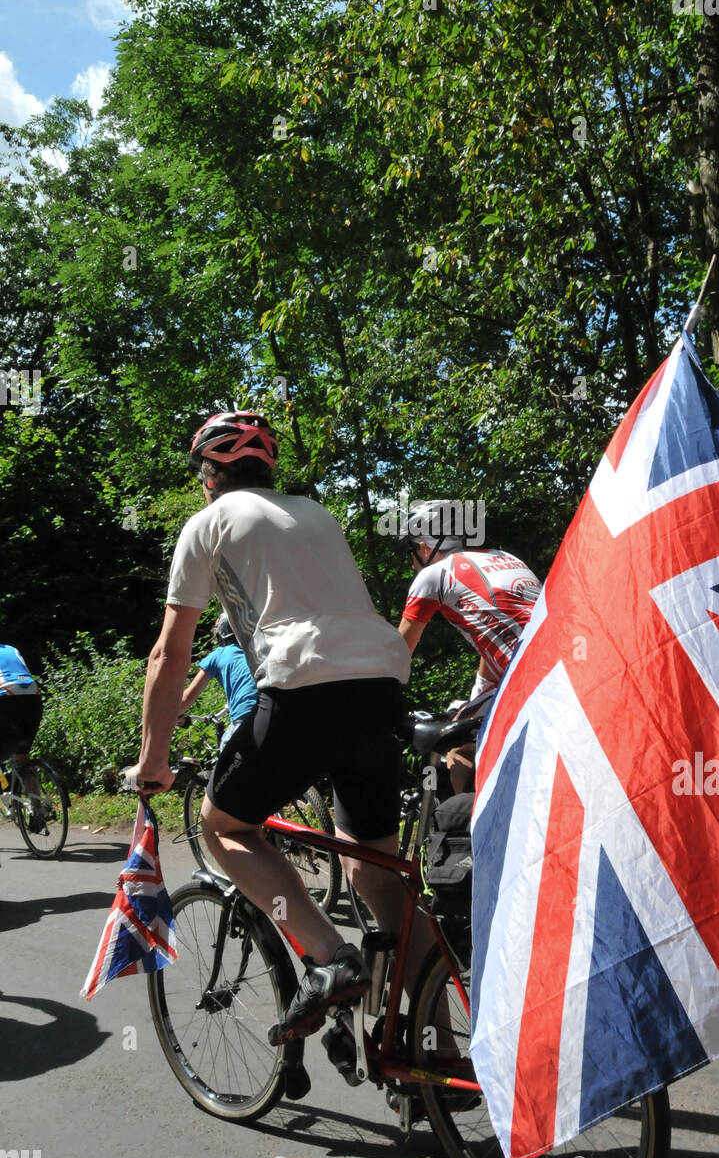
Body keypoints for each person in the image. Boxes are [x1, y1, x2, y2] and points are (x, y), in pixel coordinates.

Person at [131, 410, 412, 1044]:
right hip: (379, 689)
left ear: (210, 474)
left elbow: (170, 653)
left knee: (224, 825)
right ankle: (433, 1047)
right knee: (375, 867)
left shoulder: (208, 524)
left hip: (302, 689)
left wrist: (153, 759)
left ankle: (330, 957)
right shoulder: (316, 514)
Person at [397, 500, 542, 790]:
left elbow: (395, 656)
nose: (412, 563)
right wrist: (479, 692)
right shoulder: (506, 557)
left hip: (529, 680)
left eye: (411, 552)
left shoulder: (434, 575)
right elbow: (500, 630)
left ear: (425, 547)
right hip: (559, 664)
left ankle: (468, 824)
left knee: (458, 750)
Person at [177, 613, 258, 748]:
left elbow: (185, 700)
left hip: (245, 718)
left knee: (225, 760)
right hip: (274, 712)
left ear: (221, 633)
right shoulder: (257, 649)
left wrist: (173, 716)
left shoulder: (219, 654)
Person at [0, 645, 43, 793]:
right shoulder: (12, 649)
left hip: (5, 699)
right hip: (33, 698)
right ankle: (37, 808)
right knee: (22, 756)